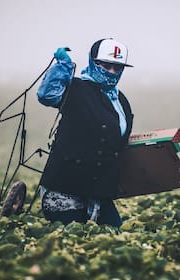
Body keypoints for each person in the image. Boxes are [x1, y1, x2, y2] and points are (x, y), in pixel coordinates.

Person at [36, 38, 134, 228]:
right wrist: (63, 67)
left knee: (116, 233)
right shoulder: (76, 89)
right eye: (106, 65)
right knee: (74, 240)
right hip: (64, 188)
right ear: (93, 62)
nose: (112, 72)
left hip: (98, 192)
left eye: (117, 67)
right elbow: (47, 95)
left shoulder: (120, 100)